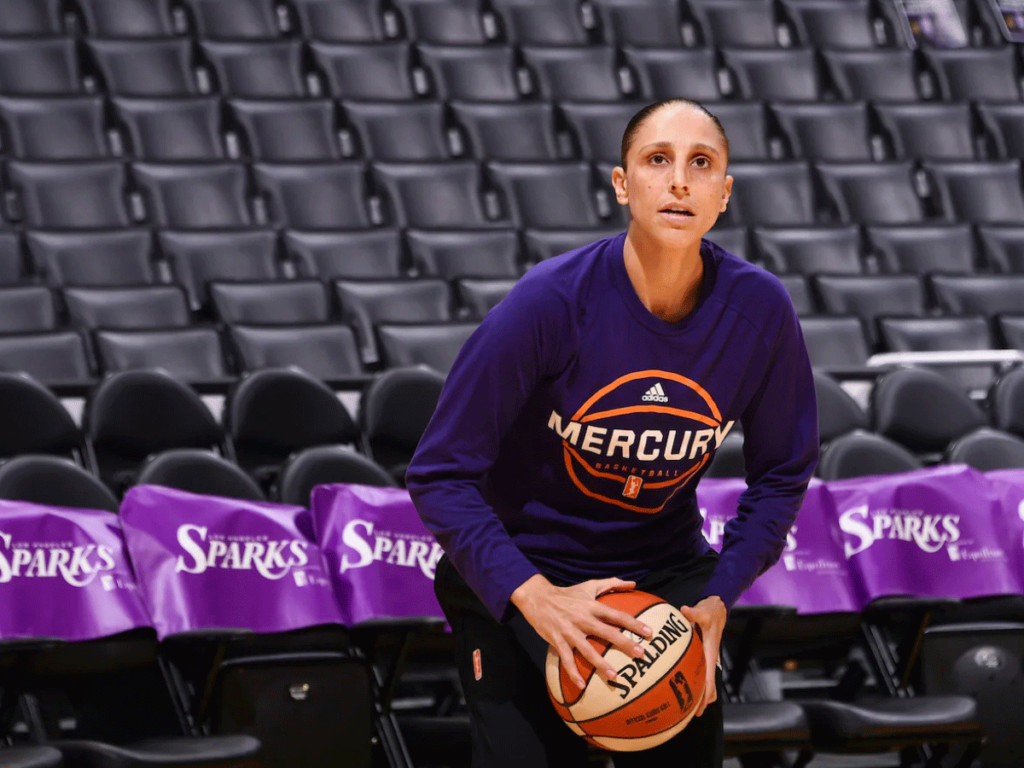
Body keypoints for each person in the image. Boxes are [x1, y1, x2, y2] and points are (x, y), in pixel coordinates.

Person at [405, 98, 818, 768]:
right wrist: (534, 596)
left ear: (723, 194)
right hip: (529, 572)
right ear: (622, 184)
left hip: (665, 578)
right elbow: (439, 473)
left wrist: (720, 592)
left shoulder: (760, 310)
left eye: (701, 164)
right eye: (658, 160)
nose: (679, 180)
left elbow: (782, 473)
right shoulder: (548, 303)